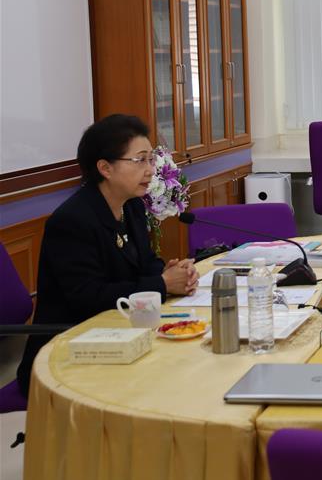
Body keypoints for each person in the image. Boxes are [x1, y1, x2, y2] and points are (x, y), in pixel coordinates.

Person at [16, 115, 198, 397]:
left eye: (151, 159)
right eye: (140, 160)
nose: (150, 169)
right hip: (70, 349)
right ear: (105, 168)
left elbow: (147, 262)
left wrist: (173, 274)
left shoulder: (132, 206)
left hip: (122, 333)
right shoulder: (72, 221)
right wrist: (162, 284)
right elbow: (88, 297)